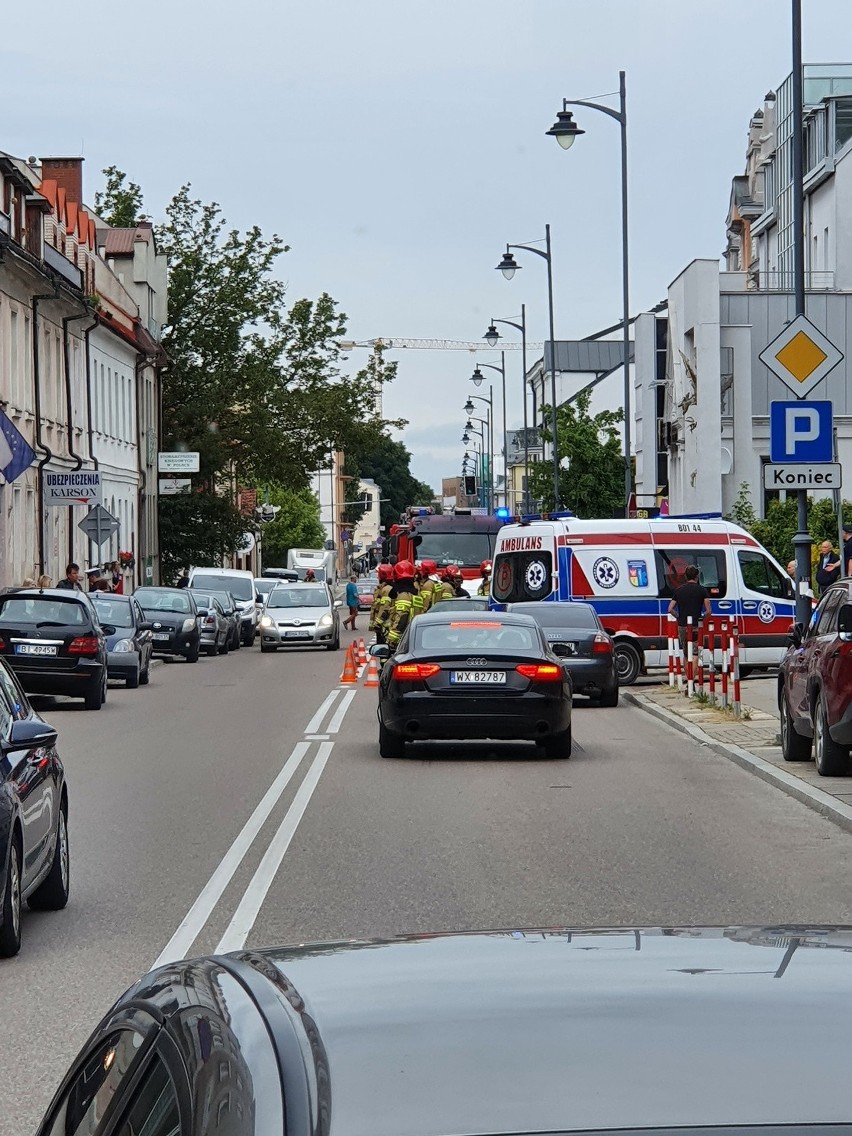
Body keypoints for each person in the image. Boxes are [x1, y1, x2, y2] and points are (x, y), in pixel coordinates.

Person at [667, 564, 711, 653]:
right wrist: (701, 617)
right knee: (695, 652)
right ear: (697, 576)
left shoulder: (678, 590)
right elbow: (709, 611)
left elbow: (670, 609)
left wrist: (679, 617)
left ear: (686, 576)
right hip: (695, 625)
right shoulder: (702, 590)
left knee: (686, 652)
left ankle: (686, 667)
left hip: (682, 625)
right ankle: (694, 667)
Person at [386, 560, 418, 650]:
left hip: (403, 639)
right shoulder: (415, 593)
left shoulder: (403, 595)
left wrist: (392, 640)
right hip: (413, 636)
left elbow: (402, 618)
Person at [370, 563, 395, 644]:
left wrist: (377, 623)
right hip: (382, 627)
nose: (377, 576)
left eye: (379, 574)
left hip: (385, 627)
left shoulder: (386, 590)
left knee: (383, 650)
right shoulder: (382, 588)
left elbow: (385, 608)